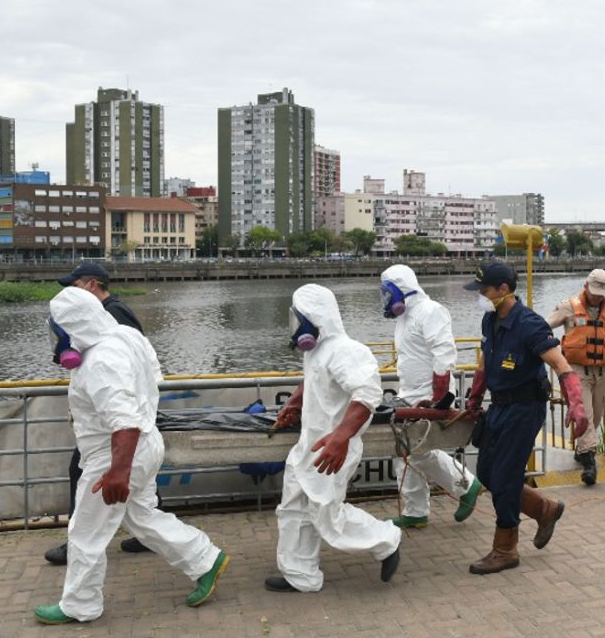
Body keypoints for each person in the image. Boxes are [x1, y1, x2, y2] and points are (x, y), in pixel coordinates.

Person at [35, 287, 228, 624]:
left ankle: (80, 604)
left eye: (58, 332)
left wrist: (117, 472)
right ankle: (204, 559)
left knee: (85, 531)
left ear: (71, 329)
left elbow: (123, 420)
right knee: (142, 517)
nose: (57, 340)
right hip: (144, 443)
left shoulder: (99, 363)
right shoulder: (124, 335)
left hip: (115, 454)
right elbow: (154, 378)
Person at [265, 284, 401, 592]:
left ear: (315, 317)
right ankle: (299, 574)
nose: (295, 325)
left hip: (333, 447)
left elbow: (367, 394)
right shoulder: (316, 350)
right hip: (309, 444)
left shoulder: (347, 351)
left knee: (327, 516)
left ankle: (386, 540)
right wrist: (296, 402)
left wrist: (341, 437)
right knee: (293, 509)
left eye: (298, 317)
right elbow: (313, 379)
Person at [462, 262, 589, 575]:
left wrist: (576, 403)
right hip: (499, 407)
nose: (480, 294)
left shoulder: (530, 325)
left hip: (524, 409)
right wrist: (475, 397)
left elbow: (560, 365)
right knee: (489, 474)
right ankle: (544, 509)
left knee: (505, 478)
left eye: (484, 289)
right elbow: (484, 362)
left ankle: (505, 549)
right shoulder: (490, 319)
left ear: (503, 290)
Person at [45, 262, 151, 566]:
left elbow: (121, 367)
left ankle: (76, 543)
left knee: (81, 470)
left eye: (74, 285)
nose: (69, 293)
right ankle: (149, 535)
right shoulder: (111, 312)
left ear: (92, 285)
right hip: (114, 413)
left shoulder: (111, 316)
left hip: (114, 417)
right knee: (141, 483)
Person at [380, 264, 482, 528]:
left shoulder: (431, 311)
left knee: (420, 451)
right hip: (408, 393)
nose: (385, 300)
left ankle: (466, 485)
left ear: (399, 289)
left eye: (387, 293)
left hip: (427, 396)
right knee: (403, 451)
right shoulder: (404, 318)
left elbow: (444, 355)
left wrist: (440, 398)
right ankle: (415, 511)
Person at [545, 268, 605, 485]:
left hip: (602, 373)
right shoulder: (568, 307)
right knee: (586, 414)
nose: (597, 296)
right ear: (585, 287)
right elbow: (543, 326)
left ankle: (582, 452)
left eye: (601, 292)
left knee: (597, 415)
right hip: (577, 371)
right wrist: (549, 350)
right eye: (594, 291)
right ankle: (590, 464)